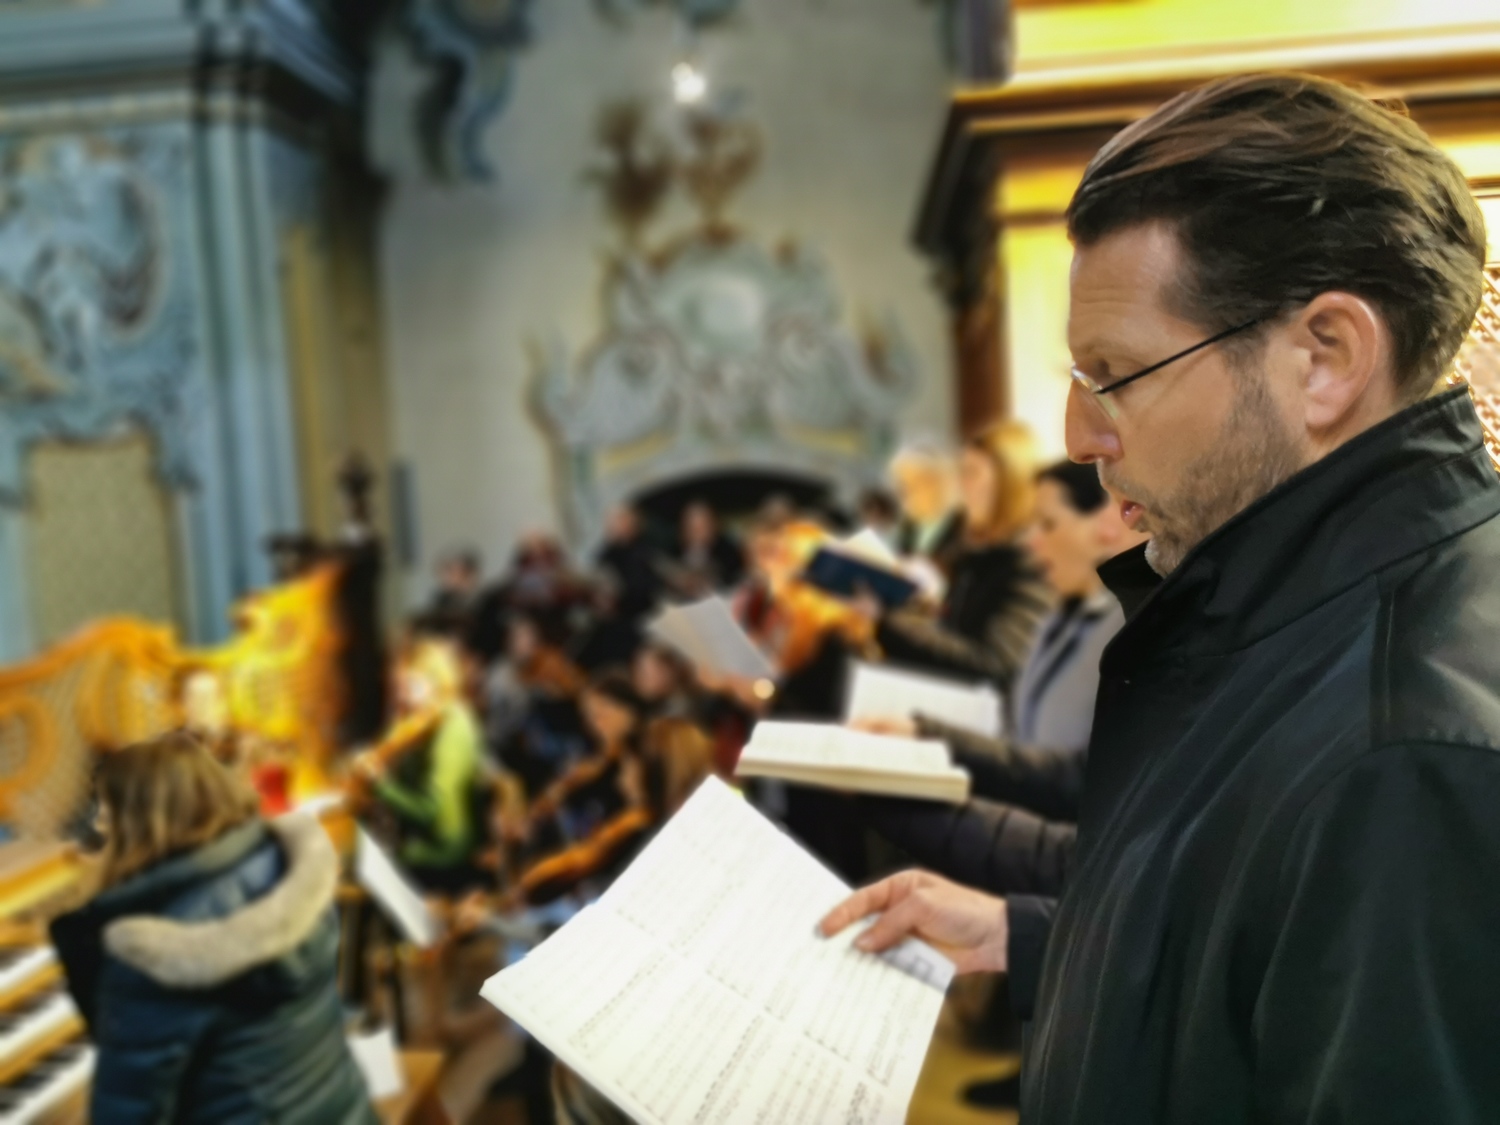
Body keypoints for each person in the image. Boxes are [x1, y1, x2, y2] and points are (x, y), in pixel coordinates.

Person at [824, 73, 1500, 1123]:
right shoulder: (1277, 600)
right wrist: (1030, 935)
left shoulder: (1407, 755)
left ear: (1324, 359)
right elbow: (1256, 948)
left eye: (1117, 373)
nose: (1077, 435)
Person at [50, 731, 375, 1125]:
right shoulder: (283, 870)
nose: (94, 843)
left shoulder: (152, 953)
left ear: (135, 831)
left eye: (104, 823)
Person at [876, 420, 1054, 690]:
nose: (962, 486)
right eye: (961, 473)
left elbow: (995, 663)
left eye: (972, 473)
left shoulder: (1031, 562)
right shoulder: (972, 555)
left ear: (1009, 484)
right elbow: (953, 635)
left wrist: (886, 623)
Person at [359, 639, 486, 893]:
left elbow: (431, 811)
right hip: (421, 837)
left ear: (438, 684)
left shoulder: (453, 727)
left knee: (378, 870)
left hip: (446, 852)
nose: (403, 696)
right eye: (400, 687)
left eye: (412, 686)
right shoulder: (422, 720)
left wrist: (382, 786)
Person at [888, 441, 963, 567]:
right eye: (901, 483)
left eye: (913, 482)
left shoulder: (964, 527)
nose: (904, 491)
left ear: (938, 482)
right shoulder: (908, 526)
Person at [665, 500, 745, 597]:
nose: (696, 534)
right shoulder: (673, 551)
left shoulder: (729, 552)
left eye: (702, 527)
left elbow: (733, 580)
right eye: (691, 528)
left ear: (714, 526)